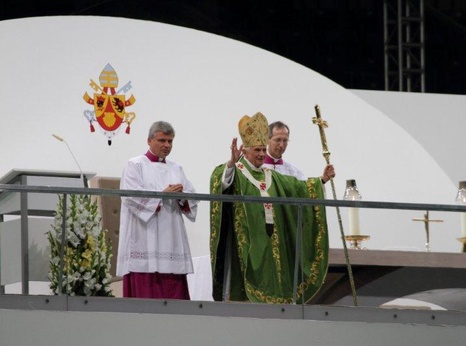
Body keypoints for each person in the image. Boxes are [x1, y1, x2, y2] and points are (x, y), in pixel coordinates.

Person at [209, 112, 335, 304]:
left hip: (273, 242)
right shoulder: (237, 172)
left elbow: (297, 188)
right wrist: (231, 163)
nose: (261, 154)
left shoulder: (271, 175)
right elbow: (221, 182)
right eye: (257, 150)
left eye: (262, 150)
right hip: (247, 242)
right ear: (245, 150)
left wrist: (322, 180)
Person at [117, 121, 198, 299]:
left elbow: (192, 197)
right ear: (149, 140)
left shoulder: (176, 168)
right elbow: (130, 197)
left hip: (172, 240)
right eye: (162, 140)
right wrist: (162, 195)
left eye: (170, 141)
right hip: (145, 237)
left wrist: (182, 196)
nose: (167, 145)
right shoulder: (135, 164)